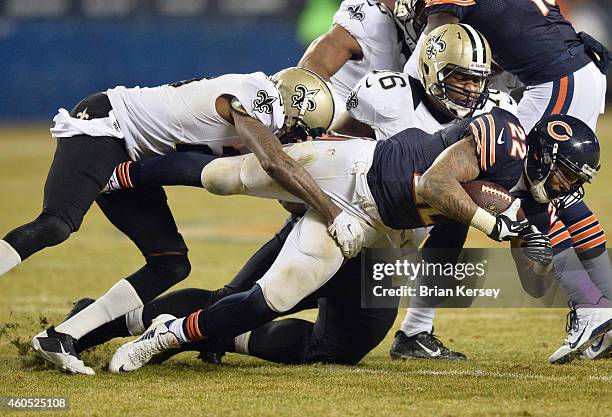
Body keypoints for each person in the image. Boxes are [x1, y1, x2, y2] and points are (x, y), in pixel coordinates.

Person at [106, 109, 605, 373]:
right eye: (565, 174)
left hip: (378, 224)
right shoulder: (506, 133)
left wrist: (535, 256)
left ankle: (168, 335)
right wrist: (498, 226)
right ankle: (127, 172)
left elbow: (534, 286)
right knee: (226, 176)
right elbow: (435, 184)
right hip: (354, 172)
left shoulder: (537, 202)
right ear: (541, 156)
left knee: (273, 297)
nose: (568, 187)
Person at [20, 67, 367, 375]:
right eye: (302, 132)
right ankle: (115, 331)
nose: (301, 142)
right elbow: (206, 170)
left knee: (345, 344)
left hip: (369, 246)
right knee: (248, 301)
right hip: (331, 232)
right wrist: (128, 175)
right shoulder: (257, 113)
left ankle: (173, 332)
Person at [401, 0, 612, 363]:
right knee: (558, 195)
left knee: (521, 189)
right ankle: (602, 306)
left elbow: (437, 41)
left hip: (556, 80)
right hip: (571, 72)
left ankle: (590, 306)